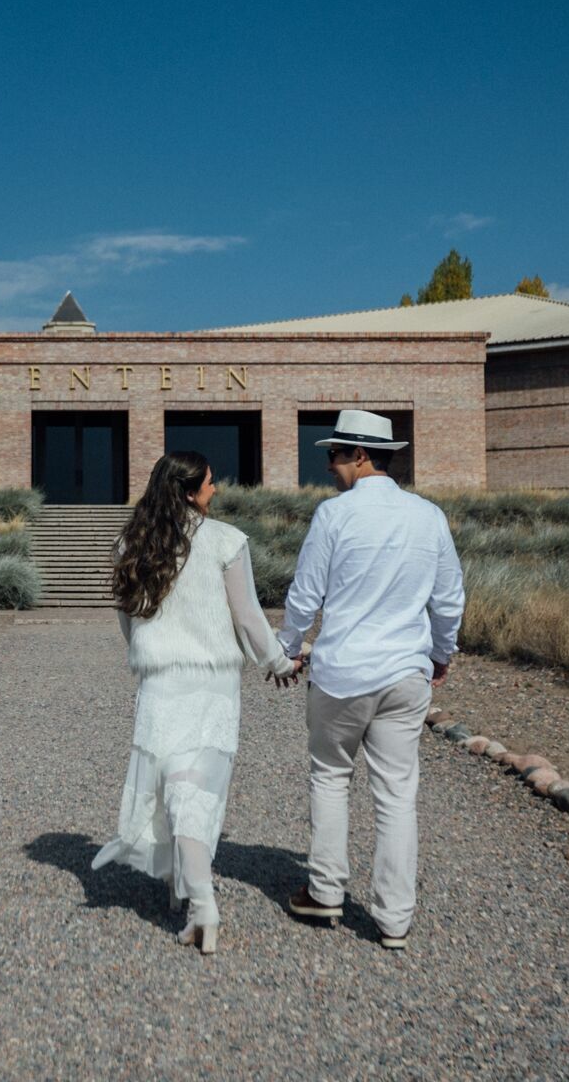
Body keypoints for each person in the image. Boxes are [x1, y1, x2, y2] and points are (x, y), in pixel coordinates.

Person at [92, 450, 298, 955]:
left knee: (171, 784)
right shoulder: (227, 541)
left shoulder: (131, 542)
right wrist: (280, 663)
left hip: (161, 683)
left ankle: (182, 888)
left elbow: (129, 619)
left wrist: (148, 656)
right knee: (198, 790)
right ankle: (201, 900)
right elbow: (248, 617)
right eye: (209, 483)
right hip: (212, 684)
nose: (216, 489)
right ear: (188, 490)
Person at [273, 409, 464, 950]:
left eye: (334, 454)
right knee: (397, 794)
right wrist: (441, 653)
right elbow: (448, 599)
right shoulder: (429, 517)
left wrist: (288, 651)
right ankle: (394, 920)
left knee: (331, 777)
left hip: (344, 674)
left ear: (360, 455)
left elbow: (305, 595)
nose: (329, 465)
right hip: (407, 671)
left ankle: (327, 892)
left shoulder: (334, 517)